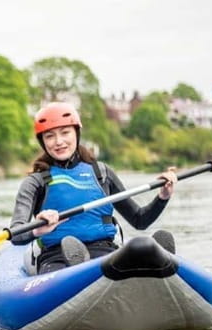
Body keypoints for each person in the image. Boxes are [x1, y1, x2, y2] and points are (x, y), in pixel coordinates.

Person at [10, 102, 178, 274]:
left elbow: (139, 220)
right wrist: (37, 230)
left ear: (76, 133)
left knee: (139, 247)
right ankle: (78, 269)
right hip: (56, 257)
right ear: (43, 142)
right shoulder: (35, 181)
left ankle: (157, 261)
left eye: (65, 133)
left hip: (105, 252)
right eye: (50, 136)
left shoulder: (101, 173)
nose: (58, 142)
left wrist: (163, 197)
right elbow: (16, 235)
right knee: (71, 261)